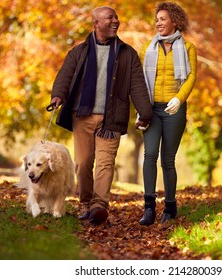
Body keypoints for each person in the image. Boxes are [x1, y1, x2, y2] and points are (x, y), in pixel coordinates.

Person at [50, 6, 153, 225]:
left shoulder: (128, 54)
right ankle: (85, 203)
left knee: (106, 164)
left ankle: (99, 206)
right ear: (96, 23)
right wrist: (57, 96)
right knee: (83, 163)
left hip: (112, 118)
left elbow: (137, 85)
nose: (116, 20)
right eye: (110, 18)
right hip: (83, 115)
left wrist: (145, 112)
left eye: (117, 17)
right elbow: (65, 75)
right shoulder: (79, 52)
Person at [138, 2, 197, 225]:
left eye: (163, 19)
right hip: (152, 109)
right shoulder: (148, 48)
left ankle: (170, 207)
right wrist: (142, 109)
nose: (158, 23)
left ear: (174, 20)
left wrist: (178, 98)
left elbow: (191, 77)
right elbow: (141, 81)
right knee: (150, 154)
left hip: (174, 109)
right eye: (157, 19)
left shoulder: (188, 48)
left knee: (168, 160)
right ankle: (149, 208)